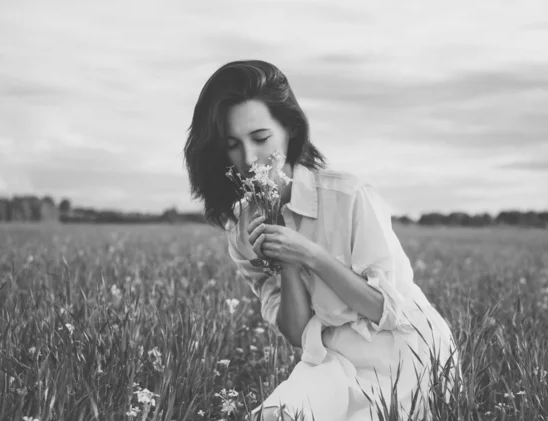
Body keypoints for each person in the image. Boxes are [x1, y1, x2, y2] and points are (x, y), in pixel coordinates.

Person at [183, 60, 459, 421]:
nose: (249, 158)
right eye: (233, 145)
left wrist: (310, 253)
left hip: (406, 355)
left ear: (291, 131)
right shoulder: (242, 232)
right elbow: (298, 334)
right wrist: (287, 263)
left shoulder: (348, 195)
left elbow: (384, 311)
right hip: (331, 360)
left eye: (261, 138)